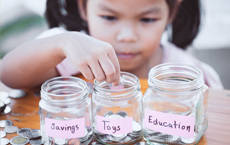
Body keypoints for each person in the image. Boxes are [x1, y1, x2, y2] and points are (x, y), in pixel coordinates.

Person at [0, 0, 223, 89]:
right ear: (83, 8)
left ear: (171, 13)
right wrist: (63, 42)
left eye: (147, 19)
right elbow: (7, 74)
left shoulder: (185, 72)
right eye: (109, 17)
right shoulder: (65, 51)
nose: (127, 36)